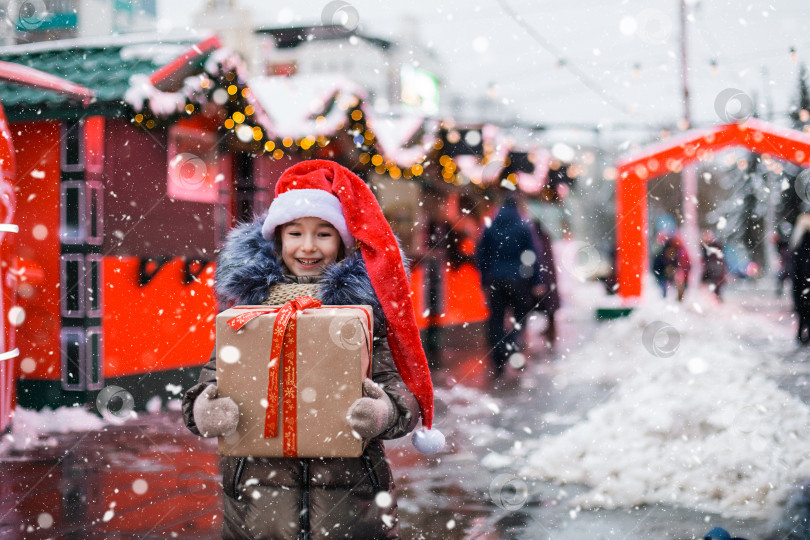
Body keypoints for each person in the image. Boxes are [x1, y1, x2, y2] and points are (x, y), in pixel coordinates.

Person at [182, 160, 441, 539]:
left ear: (341, 242)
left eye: (323, 234)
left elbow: (400, 391)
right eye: (295, 234)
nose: (308, 247)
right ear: (278, 240)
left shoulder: (363, 316)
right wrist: (205, 409)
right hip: (258, 503)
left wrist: (385, 411)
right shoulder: (248, 314)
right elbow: (211, 381)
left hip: (350, 498)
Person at [475, 196, 543, 376]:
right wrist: (537, 281)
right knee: (519, 318)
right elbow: (533, 254)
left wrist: (484, 281)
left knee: (496, 319)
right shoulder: (523, 226)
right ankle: (512, 348)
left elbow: (481, 256)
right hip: (520, 280)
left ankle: (498, 358)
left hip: (496, 280)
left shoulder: (490, 227)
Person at [790, 213, 810, 344]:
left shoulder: (800, 240)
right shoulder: (801, 240)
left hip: (802, 282)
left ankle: (801, 335)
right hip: (803, 281)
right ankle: (802, 335)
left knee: (802, 310)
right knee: (805, 310)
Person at [652, 235, 691, 301]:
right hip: (662, 275)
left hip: (669, 276)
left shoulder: (676, 255)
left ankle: (675, 299)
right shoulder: (662, 257)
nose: (671, 253)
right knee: (664, 290)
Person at [700, 230, 727, 300]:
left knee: (715, 289)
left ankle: (716, 302)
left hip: (714, 272)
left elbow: (716, 261)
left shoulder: (712, 248)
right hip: (712, 272)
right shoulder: (707, 248)